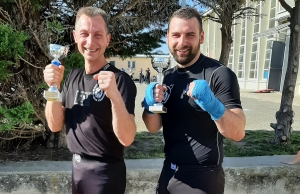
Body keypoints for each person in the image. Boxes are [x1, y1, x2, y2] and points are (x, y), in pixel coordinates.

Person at [142, 7, 246, 194]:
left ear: (201, 37)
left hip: (203, 176)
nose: (182, 42)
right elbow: (152, 127)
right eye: (176, 35)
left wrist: (212, 104)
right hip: (169, 172)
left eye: (190, 35)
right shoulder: (166, 76)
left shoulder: (219, 74)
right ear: (167, 37)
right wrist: (150, 107)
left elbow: (238, 132)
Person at [43, 6, 137, 194]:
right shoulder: (72, 76)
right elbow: (54, 125)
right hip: (77, 170)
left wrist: (114, 96)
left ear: (107, 39)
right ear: (75, 36)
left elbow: (127, 138)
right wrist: (53, 86)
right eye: (84, 34)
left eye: (98, 35)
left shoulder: (119, 80)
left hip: (105, 174)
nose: (90, 41)